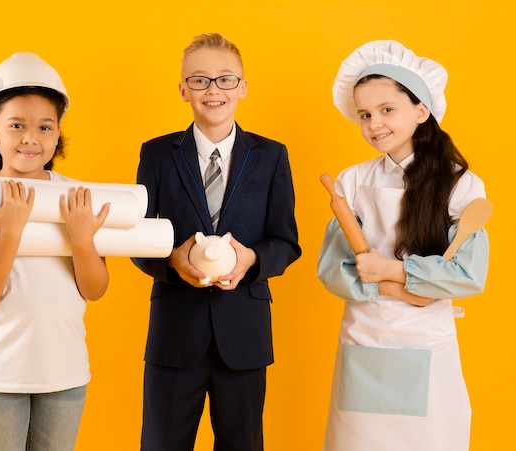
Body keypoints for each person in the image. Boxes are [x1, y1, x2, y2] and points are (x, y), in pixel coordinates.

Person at [131, 33, 301, 451]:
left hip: (244, 335)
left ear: (242, 87)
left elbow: (286, 241)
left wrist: (251, 259)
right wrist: (172, 260)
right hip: (174, 333)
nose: (213, 90)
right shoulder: (156, 154)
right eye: (200, 80)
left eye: (225, 79)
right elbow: (135, 237)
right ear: (183, 89)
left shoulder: (272, 155)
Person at [317, 40, 489, 450]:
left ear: (421, 110)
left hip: (427, 344)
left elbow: (467, 276)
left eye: (387, 110)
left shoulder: (461, 185)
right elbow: (332, 271)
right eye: (365, 115)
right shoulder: (352, 182)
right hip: (365, 342)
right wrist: (405, 288)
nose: (374, 124)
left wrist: (391, 270)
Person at [0, 52, 110, 451]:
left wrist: (83, 240)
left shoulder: (76, 196)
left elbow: (95, 288)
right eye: (16, 125)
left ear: (58, 133)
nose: (31, 138)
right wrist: (11, 231)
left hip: (64, 373)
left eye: (44, 127)